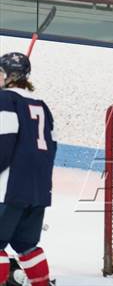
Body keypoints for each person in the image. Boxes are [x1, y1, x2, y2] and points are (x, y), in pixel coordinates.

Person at [0, 52, 56, 286]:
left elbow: (4, 144)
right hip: (38, 190)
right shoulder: (41, 105)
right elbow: (51, 146)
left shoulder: (5, 100)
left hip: (8, 188)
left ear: (9, 76)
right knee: (26, 246)